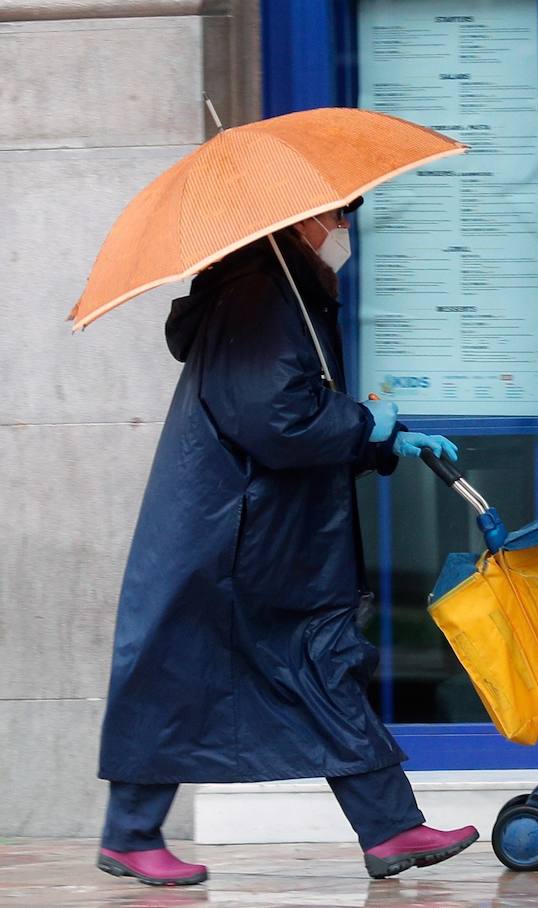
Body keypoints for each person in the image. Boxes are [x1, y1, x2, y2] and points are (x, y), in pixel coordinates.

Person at [95, 200, 477, 886]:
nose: (345, 233)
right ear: (300, 220)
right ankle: (129, 834)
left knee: (321, 667)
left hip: (263, 533)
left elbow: (289, 408)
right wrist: (370, 424)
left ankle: (390, 828)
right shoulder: (259, 292)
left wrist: (377, 436)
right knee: (187, 672)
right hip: (237, 540)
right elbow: (275, 416)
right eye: (337, 217)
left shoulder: (284, 288)